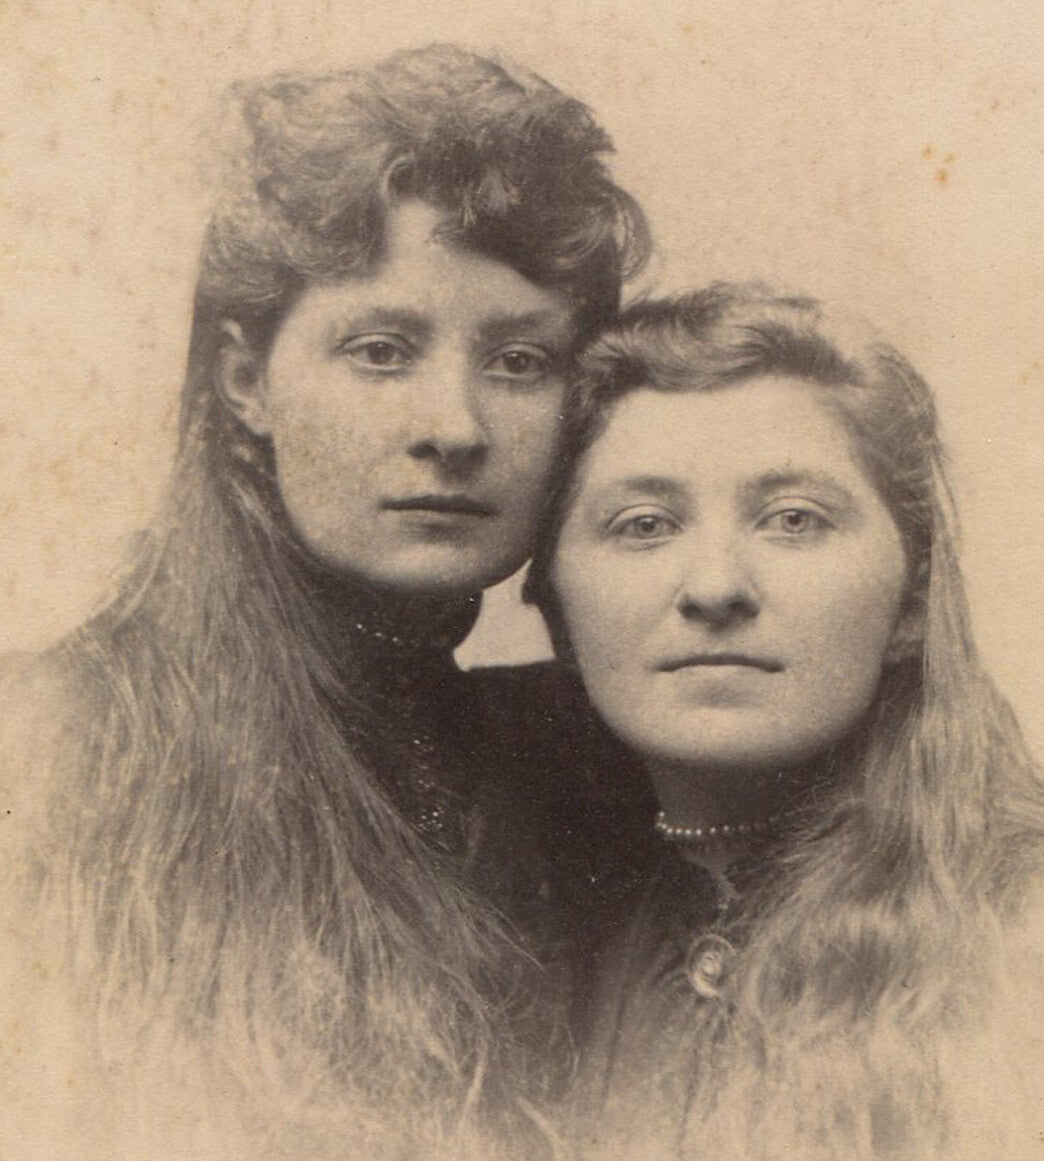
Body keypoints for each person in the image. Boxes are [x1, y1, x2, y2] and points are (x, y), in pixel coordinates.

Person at [0, 45, 647, 1161]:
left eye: (520, 361)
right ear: (245, 382)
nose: (454, 425)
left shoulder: (570, 758)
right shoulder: (56, 748)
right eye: (381, 350)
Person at [526, 283, 1044, 1160]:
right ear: (556, 614)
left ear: (914, 598)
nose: (715, 587)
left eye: (794, 520)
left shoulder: (1026, 933)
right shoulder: (557, 943)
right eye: (644, 524)